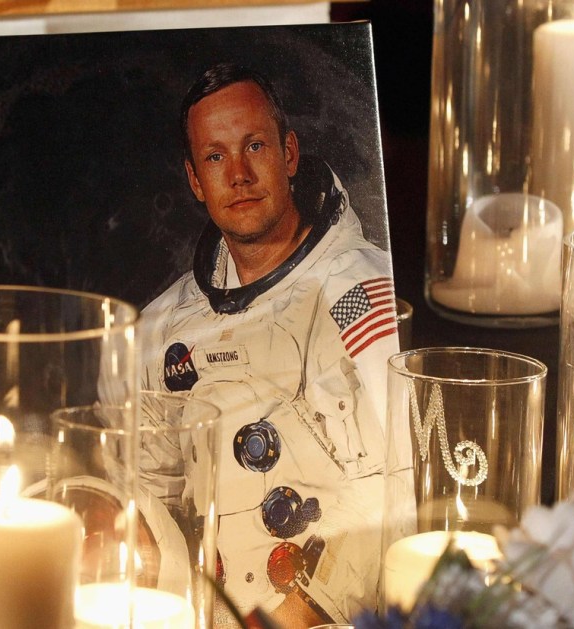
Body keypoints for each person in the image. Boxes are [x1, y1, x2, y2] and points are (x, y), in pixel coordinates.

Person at [140, 62, 401, 627]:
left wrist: (297, 612)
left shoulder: (358, 294)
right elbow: (148, 491)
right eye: (215, 156)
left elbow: (395, 487)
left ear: (289, 154)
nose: (237, 175)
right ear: (194, 179)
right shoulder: (161, 328)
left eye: (254, 145)